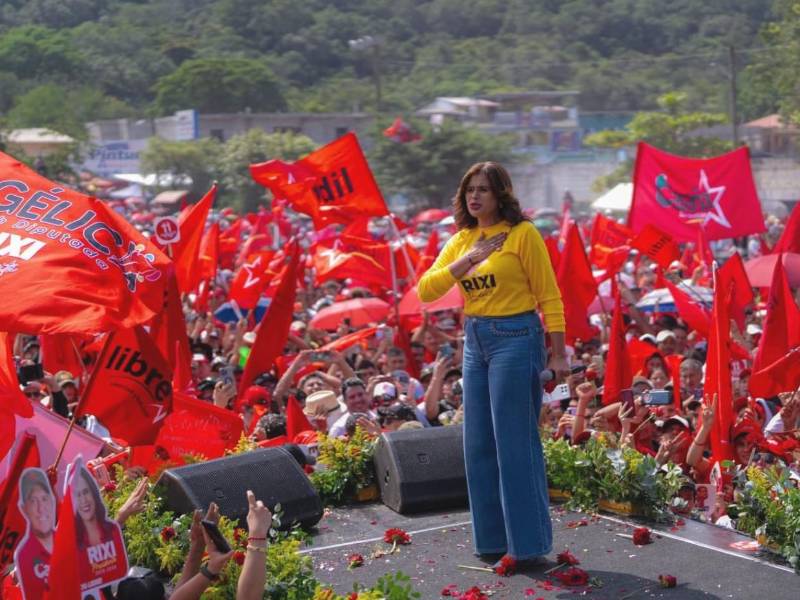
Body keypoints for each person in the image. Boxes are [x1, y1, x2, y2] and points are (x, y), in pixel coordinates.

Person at [418, 162, 568, 567]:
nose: (475, 196)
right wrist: (467, 260)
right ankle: (491, 542)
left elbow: (549, 297)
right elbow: (426, 290)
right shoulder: (462, 240)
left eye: (484, 189)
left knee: (514, 444)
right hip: (476, 340)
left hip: (517, 339)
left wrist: (559, 354)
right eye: (470, 189)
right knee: (478, 443)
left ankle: (529, 544)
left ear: (501, 194)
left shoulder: (523, 234)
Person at [73, 466, 128, 588]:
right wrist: (121, 516)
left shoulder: (108, 527)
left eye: (86, 492)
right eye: (77, 495)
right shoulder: (72, 542)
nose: (83, 500)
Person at [15, 469, 57, 599]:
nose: (40, 508)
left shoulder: (69, 540)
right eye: (33, 501)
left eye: (44, 499)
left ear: (52, 501)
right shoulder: (23, 556)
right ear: (24, 508)